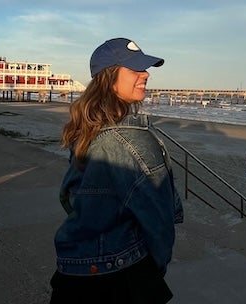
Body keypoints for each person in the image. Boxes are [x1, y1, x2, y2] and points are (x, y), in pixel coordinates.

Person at [49, 37, 183, 304]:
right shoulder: (132, 140)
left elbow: (75, 197)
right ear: (109, 78)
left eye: (145, 69)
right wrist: (153, 271)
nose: (145, 74)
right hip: (117, 276)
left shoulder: (87, 129)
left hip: (73, 267)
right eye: (135, 69)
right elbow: (160, 222)